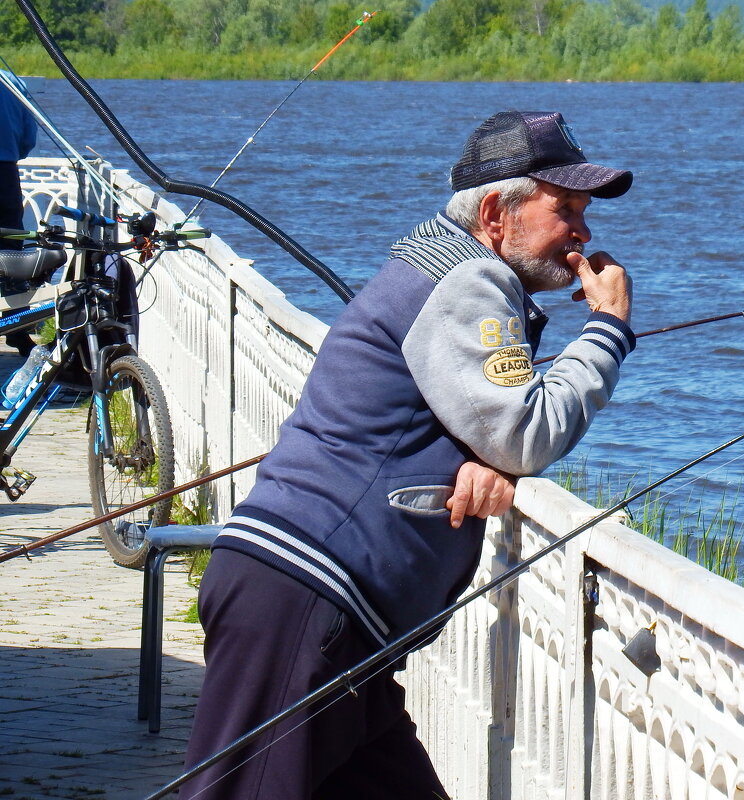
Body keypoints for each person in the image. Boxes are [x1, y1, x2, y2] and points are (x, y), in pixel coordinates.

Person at [181, 111, 635, 799]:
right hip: (307, 598)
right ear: (494, 212)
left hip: (337, 621)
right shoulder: (469, 282)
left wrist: (481, 456)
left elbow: (478, 419)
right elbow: (525, 431)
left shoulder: (450, 266)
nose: (583, 232)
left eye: (583, 212)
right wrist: (607, 331)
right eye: (564, 208)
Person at [0, 72, 38, 357]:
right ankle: (16, 327)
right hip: (6, 176)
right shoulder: (12, 82)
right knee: (12, 253)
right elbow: (28, 138)